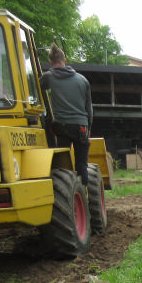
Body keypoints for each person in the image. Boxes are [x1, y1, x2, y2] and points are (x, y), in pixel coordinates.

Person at [40, 44, 93, 186]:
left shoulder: (48, 77)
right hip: (81, 126)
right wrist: (88, 127)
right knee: (82, 164)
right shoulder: (83, 80)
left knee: (63, 165)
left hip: (61, 127)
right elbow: (89, 109)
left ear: (51, 62)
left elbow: (37, 90)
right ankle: (84, 193)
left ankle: (66, 189)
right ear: (65, 60)